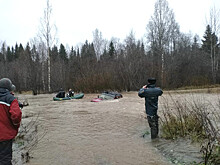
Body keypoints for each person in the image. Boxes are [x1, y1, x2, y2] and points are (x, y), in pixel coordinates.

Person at [0, 78, 22, 165]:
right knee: (5, 159)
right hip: (5, 136)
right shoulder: (11, 99)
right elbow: (16, 116)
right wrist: (15, 126)